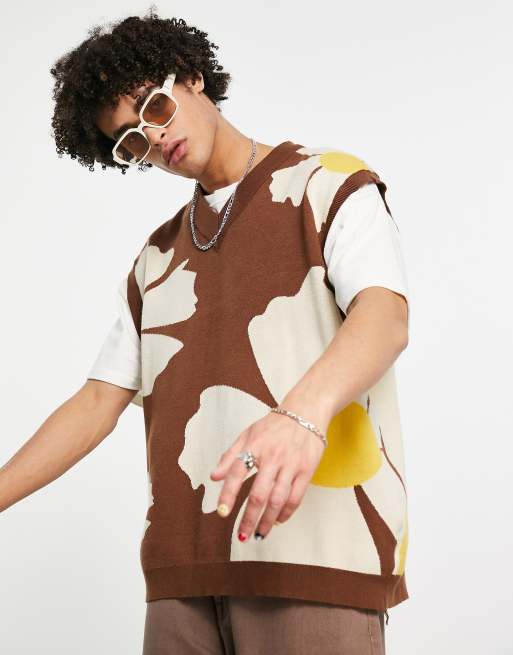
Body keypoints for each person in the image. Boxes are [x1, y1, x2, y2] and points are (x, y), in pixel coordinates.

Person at [1, 8, 411, 654]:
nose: (152, 136)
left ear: (191, 77)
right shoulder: (156, 259)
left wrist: (299, 416)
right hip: (180, 583)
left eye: (153, 106)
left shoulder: (328, 184)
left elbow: (385, 316)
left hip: (313, 566)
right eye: (129, 139)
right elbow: (97, 400)